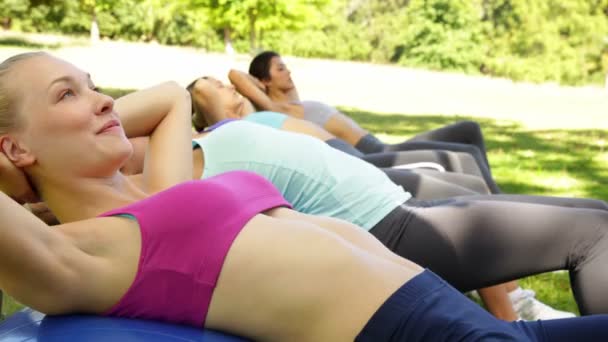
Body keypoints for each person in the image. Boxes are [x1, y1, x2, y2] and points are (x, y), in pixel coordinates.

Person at [6, 52, 605, 342]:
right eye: (67, 96)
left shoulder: (159, 191)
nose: (107, 100)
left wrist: (68, 122)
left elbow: (167, 97)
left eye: (95, 85)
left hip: (468, 320)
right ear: (13, 148)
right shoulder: (83, 253)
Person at [229, 50, 501, 193]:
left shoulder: (296, 102)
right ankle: (498, 210)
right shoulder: (280, 112)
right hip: (374, 153)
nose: (288, 71)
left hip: (383, 145)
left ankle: (496, 201)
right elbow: (236, 75)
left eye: (286, 66)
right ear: (263, 81)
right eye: (279, 68)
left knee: (469, 131)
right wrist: (265, 96)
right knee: (466, 155)